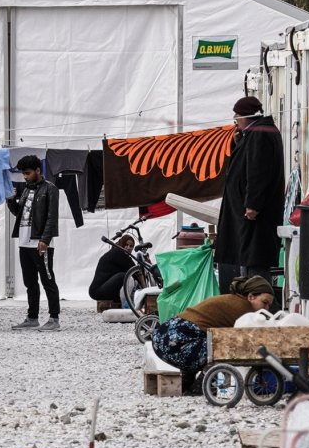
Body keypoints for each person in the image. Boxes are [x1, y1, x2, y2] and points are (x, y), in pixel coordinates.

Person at [215, 94, 286, 285]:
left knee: (255, 263)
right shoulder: (256, 133)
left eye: (237, 119)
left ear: (247, 116)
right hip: (253, 216)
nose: (236, 124)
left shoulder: (260, 134)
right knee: (250, 261)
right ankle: (254, 304)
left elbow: (258, 172)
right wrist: (240, 143)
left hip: (256, 216)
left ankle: (262, 307)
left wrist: (252, 205)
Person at [149, 275, 277, 378]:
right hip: (174, 340)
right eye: (264, 303)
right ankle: (207, 380)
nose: (266, 309)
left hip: (163, 335)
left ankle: (190, 381)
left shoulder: (233, 299)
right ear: (251, 297)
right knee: (230, 344)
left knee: (211, 340)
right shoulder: (244, 309)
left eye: (269, 306)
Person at [6, 154, 61, 330]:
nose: (25, 176)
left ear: (38, 170)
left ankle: (54, 318)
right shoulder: (26, 189)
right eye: (23, 174)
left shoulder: (50, 189)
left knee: (47, 280)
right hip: (24, 243)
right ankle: (32, 317)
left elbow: (52, 217)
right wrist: (10, 200)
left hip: (40, 243)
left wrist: (45, 240)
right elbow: (20, 213)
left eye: (28, 173)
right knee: (30, 282)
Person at [89, 232, 138, 306]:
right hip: (97, 291)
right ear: (122, 244)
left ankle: (127, 303)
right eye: (126, 245)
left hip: (106, 288)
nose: (128, 247)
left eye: (131, 246)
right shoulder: (117, 252)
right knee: (125, 276)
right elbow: (134, 270)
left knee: (130, 279)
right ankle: (126, 305)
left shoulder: (121, 255)